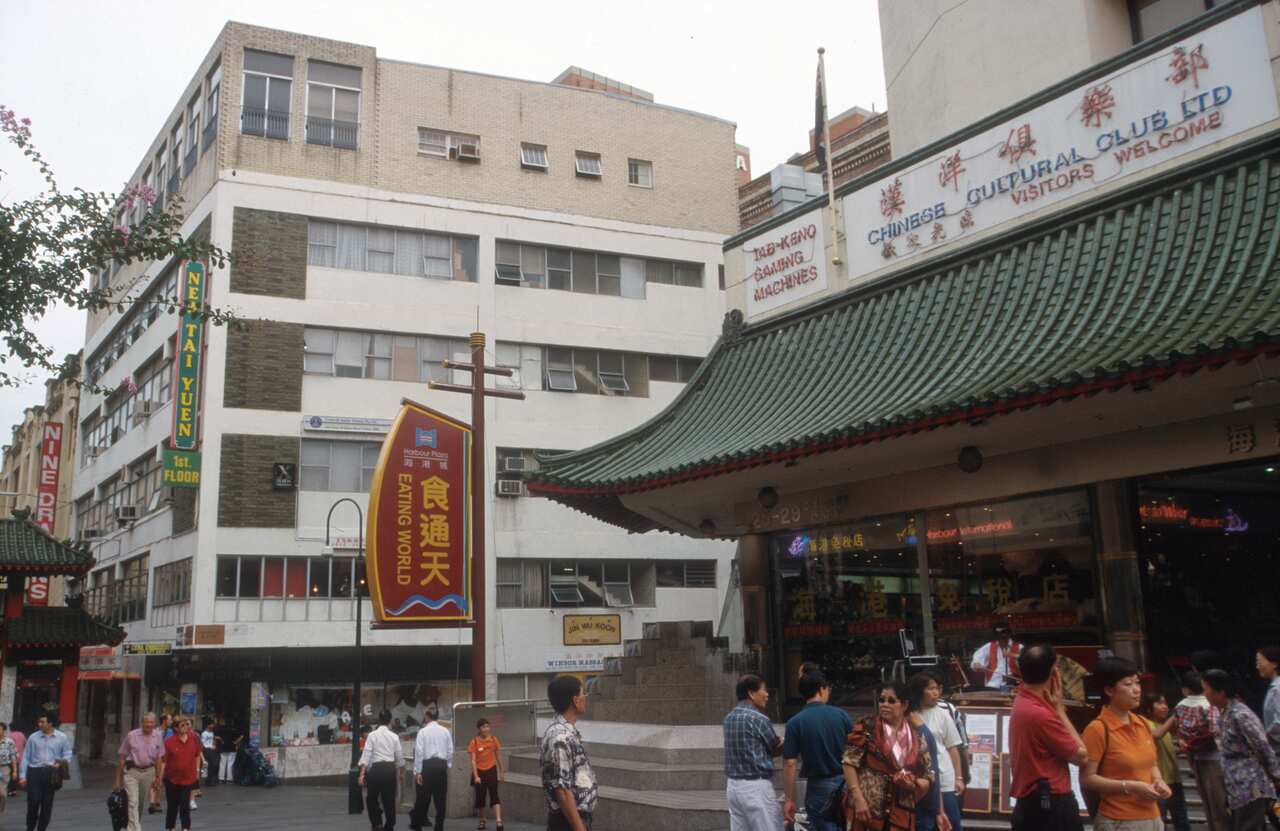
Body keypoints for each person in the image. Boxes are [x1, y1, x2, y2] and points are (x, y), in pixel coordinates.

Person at [1080, 656, 1171, 831]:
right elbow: (1086, 779)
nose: (1136, 690)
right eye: (1128, 685)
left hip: (1152, 816)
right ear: (1109, 690)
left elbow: (1152, 764)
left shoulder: (1142, 723)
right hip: (1119, 820)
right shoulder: (1098, 729)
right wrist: (1129, 786)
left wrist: (1159, 781)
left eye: (1137, 683)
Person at [1007, 644, 1088, 831]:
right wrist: (1059, 709)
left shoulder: (1023, 701)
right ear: (1054, 671)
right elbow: (1082, 757)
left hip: (1034, 803)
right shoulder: (1040, 714)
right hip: (1050, 804)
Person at [841, 679, 934, 830]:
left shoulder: (916, 736)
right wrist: (858, 799)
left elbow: (928, 774)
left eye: (891, 701)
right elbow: (848, 762)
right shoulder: (867, 727)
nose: (885, 704)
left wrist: (912, 784)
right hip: (867, 809)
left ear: (904, 705)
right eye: (882, 700)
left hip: (901, 811)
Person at [1202, 669, 1280, 831]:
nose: (1204, 694)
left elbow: (1263, 746)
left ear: (1220, 692)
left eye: (1206, 689)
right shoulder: (1224, 713)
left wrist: (1276, 775)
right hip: (1236, 786)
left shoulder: (1241, 714)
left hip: (1251, 785)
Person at [782, 670, 854, 831]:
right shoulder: (842, 715)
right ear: (822, 689)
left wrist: (789, 799)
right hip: (846, 783)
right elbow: (857, 750)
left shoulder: (795, 722)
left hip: (818, 787)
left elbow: (790, 763)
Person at [722, 674, 783, 831]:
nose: (767, 694)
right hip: (756, 788)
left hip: (733, 788)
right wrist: (785, 740)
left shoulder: (729, 718)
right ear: (751, 693)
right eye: (764, 690)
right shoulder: (758, 718)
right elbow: (774, 747)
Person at [1175, 670, 1231, 831]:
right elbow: (1216, 731)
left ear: (1185, 689)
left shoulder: (1180, 705)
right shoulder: (1209, 705)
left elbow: (1179, 729)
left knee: (1207, 800)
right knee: (1219, 802)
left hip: (1194, 755)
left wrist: (1186, 742)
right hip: (1214, 757)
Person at [540, 675, 596, 831]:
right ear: (575, 700)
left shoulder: (566, 732)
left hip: (572, 819)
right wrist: (579, 828)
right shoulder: (560, 737)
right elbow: (562, 790)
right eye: (583, 693)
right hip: (568, 822)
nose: (586, 697)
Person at [909, 673, 964, 831]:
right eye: (931, 689)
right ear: (920, 691)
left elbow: (952, 747)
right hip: (921, 779)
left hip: (945, 777)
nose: (936, 693)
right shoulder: (910, 715)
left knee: (951, 822)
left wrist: (959, 777)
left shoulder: (943, 714)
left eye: (937, 689)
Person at [1140, 691, 1191, 831]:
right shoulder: (1144, 723)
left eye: (1166, 704)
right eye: (1160, 703)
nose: (1165, 707)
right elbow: (1157, 734)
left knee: (1181, 820)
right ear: (1149, 708)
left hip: (1174, 780)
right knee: (1160, 821)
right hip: (1157, 782)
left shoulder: (1164, 727)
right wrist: (1175, 716)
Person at [905, 686, 949, 831]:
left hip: (924, 806)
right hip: (910, 806)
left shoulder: (921, 731)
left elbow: (933, 771)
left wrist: (940, 810)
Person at [115, 711, 167, 831]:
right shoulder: (131, 735)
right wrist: (118, 780)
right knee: (132, 802)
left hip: (149, 772)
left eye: (151, 722)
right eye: (146, 722)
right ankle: (136, 829)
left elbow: (159, 758)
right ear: (142, 723)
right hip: (132, 771)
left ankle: (133, 825)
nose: (149, 724)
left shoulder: (158, 736)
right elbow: (122, 758)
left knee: (140, 803)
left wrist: (158, 778)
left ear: (154, 724)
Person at [18, 715, 71, 831]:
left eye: (42, 722)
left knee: (47, 803)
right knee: (33, 802)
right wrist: (22, 776)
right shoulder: (33, 737)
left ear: (50, 723)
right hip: (34, 772)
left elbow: (67, 754)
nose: (39, 724)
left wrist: (61, 763)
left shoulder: (62, 737)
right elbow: (26, 757)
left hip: (51, 773)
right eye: (39, 722)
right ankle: (30, 827)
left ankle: (42, 828)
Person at [358, 709, 405, 831]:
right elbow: (399, 756)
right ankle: (389, 825)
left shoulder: (372, 735)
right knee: (389, 800)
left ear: (379, 720)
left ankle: (377, 824)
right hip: (389, 769)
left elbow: (366, 755)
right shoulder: (394, 736)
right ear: (390, 721)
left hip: (376, 770)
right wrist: (401, 772)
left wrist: (362, 774)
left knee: (371, 798)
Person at [408, 706, 451, 831]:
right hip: (441, 766)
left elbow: (419, 753)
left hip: (427, 767)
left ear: (427, 716)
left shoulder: (422, 732)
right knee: (441, 800)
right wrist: (447, 764)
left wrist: (417, 771)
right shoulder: (445, 731)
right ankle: (439, 827)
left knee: (422, 798)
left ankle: (416, 825)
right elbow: (450, 750)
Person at [163, 717, 203, 831]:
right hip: (171, 779)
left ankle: (185, 828)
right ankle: (171, 827)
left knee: (185, 806)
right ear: (176, 728)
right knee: (172, 806)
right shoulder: (169, 742)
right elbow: (163, 761)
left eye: (186, 724)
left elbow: (197, 755)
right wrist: (158, 778)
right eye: (182, 725)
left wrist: (197, 771)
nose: (186, 727)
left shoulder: (193, 738)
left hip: (188, 778)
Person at [468, 718, 504, 831]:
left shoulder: (494, 739)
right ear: (479, 729)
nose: (486, 729)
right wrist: (476, 776)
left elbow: (498, 756)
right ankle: (482, 819)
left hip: (491, 770)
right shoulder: (474, 741)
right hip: (479, 772)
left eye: (488, 726)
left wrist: (501, 771)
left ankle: (499, 821)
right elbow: (473, 760)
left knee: (494, 795)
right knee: (480, 797)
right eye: (483, 727)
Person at [969, 623, 1022, 690]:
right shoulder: (989, 646)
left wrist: (1014, 655)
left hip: (1015, 686)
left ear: (1009, 635)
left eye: (1005, 637)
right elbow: (976, 660)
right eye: (1000, 637)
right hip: (993, 685)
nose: (1003, 640)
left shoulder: (1019, 647)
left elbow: (1029, 662)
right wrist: (976, 664)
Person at [1257, 645, 1280, 754]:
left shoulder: (1277, 688)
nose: (1258, 666)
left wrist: (1265, 736)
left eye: (1260, 662)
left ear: (1274, 664)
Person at [0, 722, 16, 811]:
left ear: (4, 731)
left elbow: (13, 756)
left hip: (4, 768)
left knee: (2, 794)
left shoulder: (9, 742)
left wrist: (15, 771)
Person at [199, 719, 219, 788]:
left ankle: (210, 780)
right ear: (208, 725)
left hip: (212, 750)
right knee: (211, 764)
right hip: (207, 750)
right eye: (211, 724)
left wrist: (214, 745)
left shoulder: (212, 733)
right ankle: (209, 780)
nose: (213, 726)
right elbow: (202, 743)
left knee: (213, 765)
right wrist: (205, 749)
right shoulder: (204, 733)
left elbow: (213, 740)